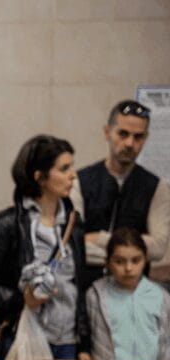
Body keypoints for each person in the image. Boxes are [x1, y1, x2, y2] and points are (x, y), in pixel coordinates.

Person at [0, 135, 91, 360]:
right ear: (40, 177)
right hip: (24, 336)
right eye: (64, 168)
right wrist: (22, 299)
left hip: (67, 342)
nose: (73, 175)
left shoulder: (73, 224)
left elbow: (80, 286)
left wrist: (84, 344)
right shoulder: (7, 224)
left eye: (72, 166)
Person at [71, 100, 170, 285]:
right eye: (123, 134)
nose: (130, 143)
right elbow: (73, 245)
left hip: (133, 293)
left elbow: (157, 248)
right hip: (85, 289)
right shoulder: (79, 181)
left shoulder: (158, 187)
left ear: (146, 138)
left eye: (138, 137)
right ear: (107, 132)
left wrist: (98, 239)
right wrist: (135, 254)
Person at [86, 227, 170, 360]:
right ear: (107, 262)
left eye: (136, 260)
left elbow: (166, 348)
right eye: (119, 261)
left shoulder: (161, 297)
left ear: (146, 259)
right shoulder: (96, 295)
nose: (128, 268)